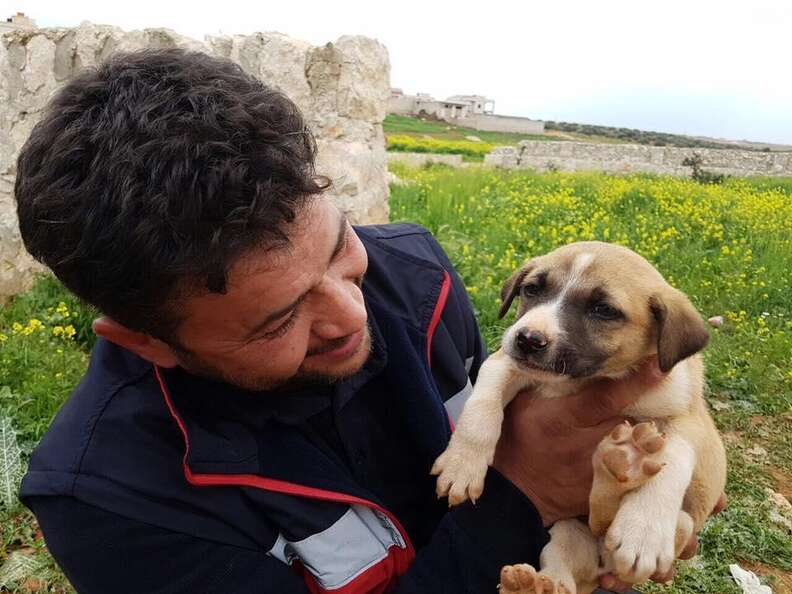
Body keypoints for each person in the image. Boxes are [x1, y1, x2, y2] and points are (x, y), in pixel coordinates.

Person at [13, 48, 708, 594]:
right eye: (278, 318)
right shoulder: (112, 501)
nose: (351, 314)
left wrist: (616, 520)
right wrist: (519, 497)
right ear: (144, 340)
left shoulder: (416, 278)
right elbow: (519, 486)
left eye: (341, 247)